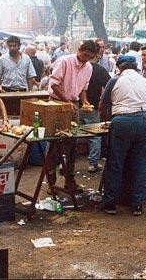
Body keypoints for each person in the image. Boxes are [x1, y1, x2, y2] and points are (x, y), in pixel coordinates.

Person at [98, 55, 146, 216]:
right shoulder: (145, 81)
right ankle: (137, 204)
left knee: (115, 162)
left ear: (120, 67)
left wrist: (107, 120)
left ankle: (110, 203)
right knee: (140, 162)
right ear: (135, 67)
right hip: (143, 120)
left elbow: (102, 105)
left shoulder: (115, 80)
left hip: (122, 121)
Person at [47, 40, 96, 193]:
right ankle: (51, 181)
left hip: (73, 104)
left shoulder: (88, 67)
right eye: (84, 55)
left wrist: (85, 101)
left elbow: (83, 89)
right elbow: (53, 84)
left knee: (72, 143)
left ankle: (70, 179)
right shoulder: (64, 61)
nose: (86, 59)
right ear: (79, 50)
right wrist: (66, 101)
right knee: (55, 143)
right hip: (56, 103)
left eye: (89, 57)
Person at [81, 47, 111, 173]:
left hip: (75, 104)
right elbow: (110, 86)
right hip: (92, 106)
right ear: (97, 55)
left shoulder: (80, 67)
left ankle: (64, 162)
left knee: (72, 134)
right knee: (94, 135)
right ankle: (93, 163)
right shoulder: (100, 70)